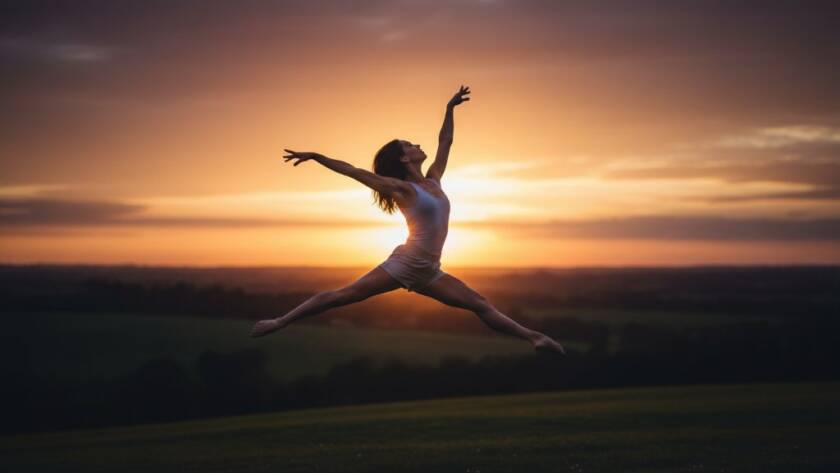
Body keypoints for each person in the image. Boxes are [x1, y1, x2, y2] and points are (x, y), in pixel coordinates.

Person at [250, 86, 565, 354]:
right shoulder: (401, 188)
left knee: (480, 304)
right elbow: (354, 172)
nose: (417, 145)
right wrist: (317, 156)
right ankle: (279, 321)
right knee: (344, 296)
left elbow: (445, 142)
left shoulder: (434, 180)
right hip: (406, 263)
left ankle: (535, 338)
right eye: (409, 144)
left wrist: (449, 108)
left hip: (429, 271)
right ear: (404, 158)